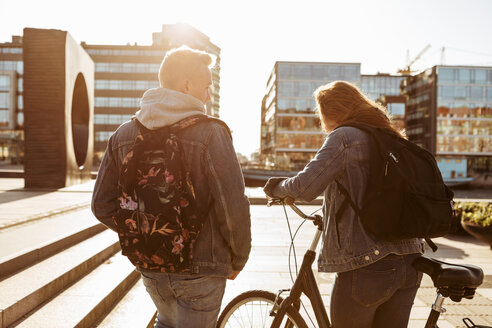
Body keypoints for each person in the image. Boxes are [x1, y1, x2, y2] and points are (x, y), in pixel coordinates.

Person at [92, 46, 251, 328]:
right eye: (206, 86)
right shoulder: (212, 132)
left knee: (166, 323)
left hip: (151, 266)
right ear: (186, 85)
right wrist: (239, 256)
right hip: (201, 267)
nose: (208, 94)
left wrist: (144, 231)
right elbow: (232, 204)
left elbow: (101, 205)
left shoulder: (124, 134)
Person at [263, 81, 424, 328]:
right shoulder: (391, 135)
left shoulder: (345, 136)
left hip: (367, 262)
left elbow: (306, 187)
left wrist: (275, 188)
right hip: (410, 260)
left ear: (329, 112)